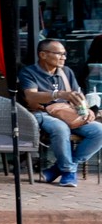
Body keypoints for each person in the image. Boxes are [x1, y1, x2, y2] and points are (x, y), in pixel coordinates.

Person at [18, 39, 102, 187]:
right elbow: (31, 96)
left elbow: (76, 95)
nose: (64, 57)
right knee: (60, 128)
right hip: (42, 112)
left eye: (65, 54)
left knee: (99, 131)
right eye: (59, 54)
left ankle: (60, 168)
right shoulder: (29, 72)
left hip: (67, 112)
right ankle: (68, 171)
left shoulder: (66, 72)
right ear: (43, 55)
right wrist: (58, 94)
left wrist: (87, 110)